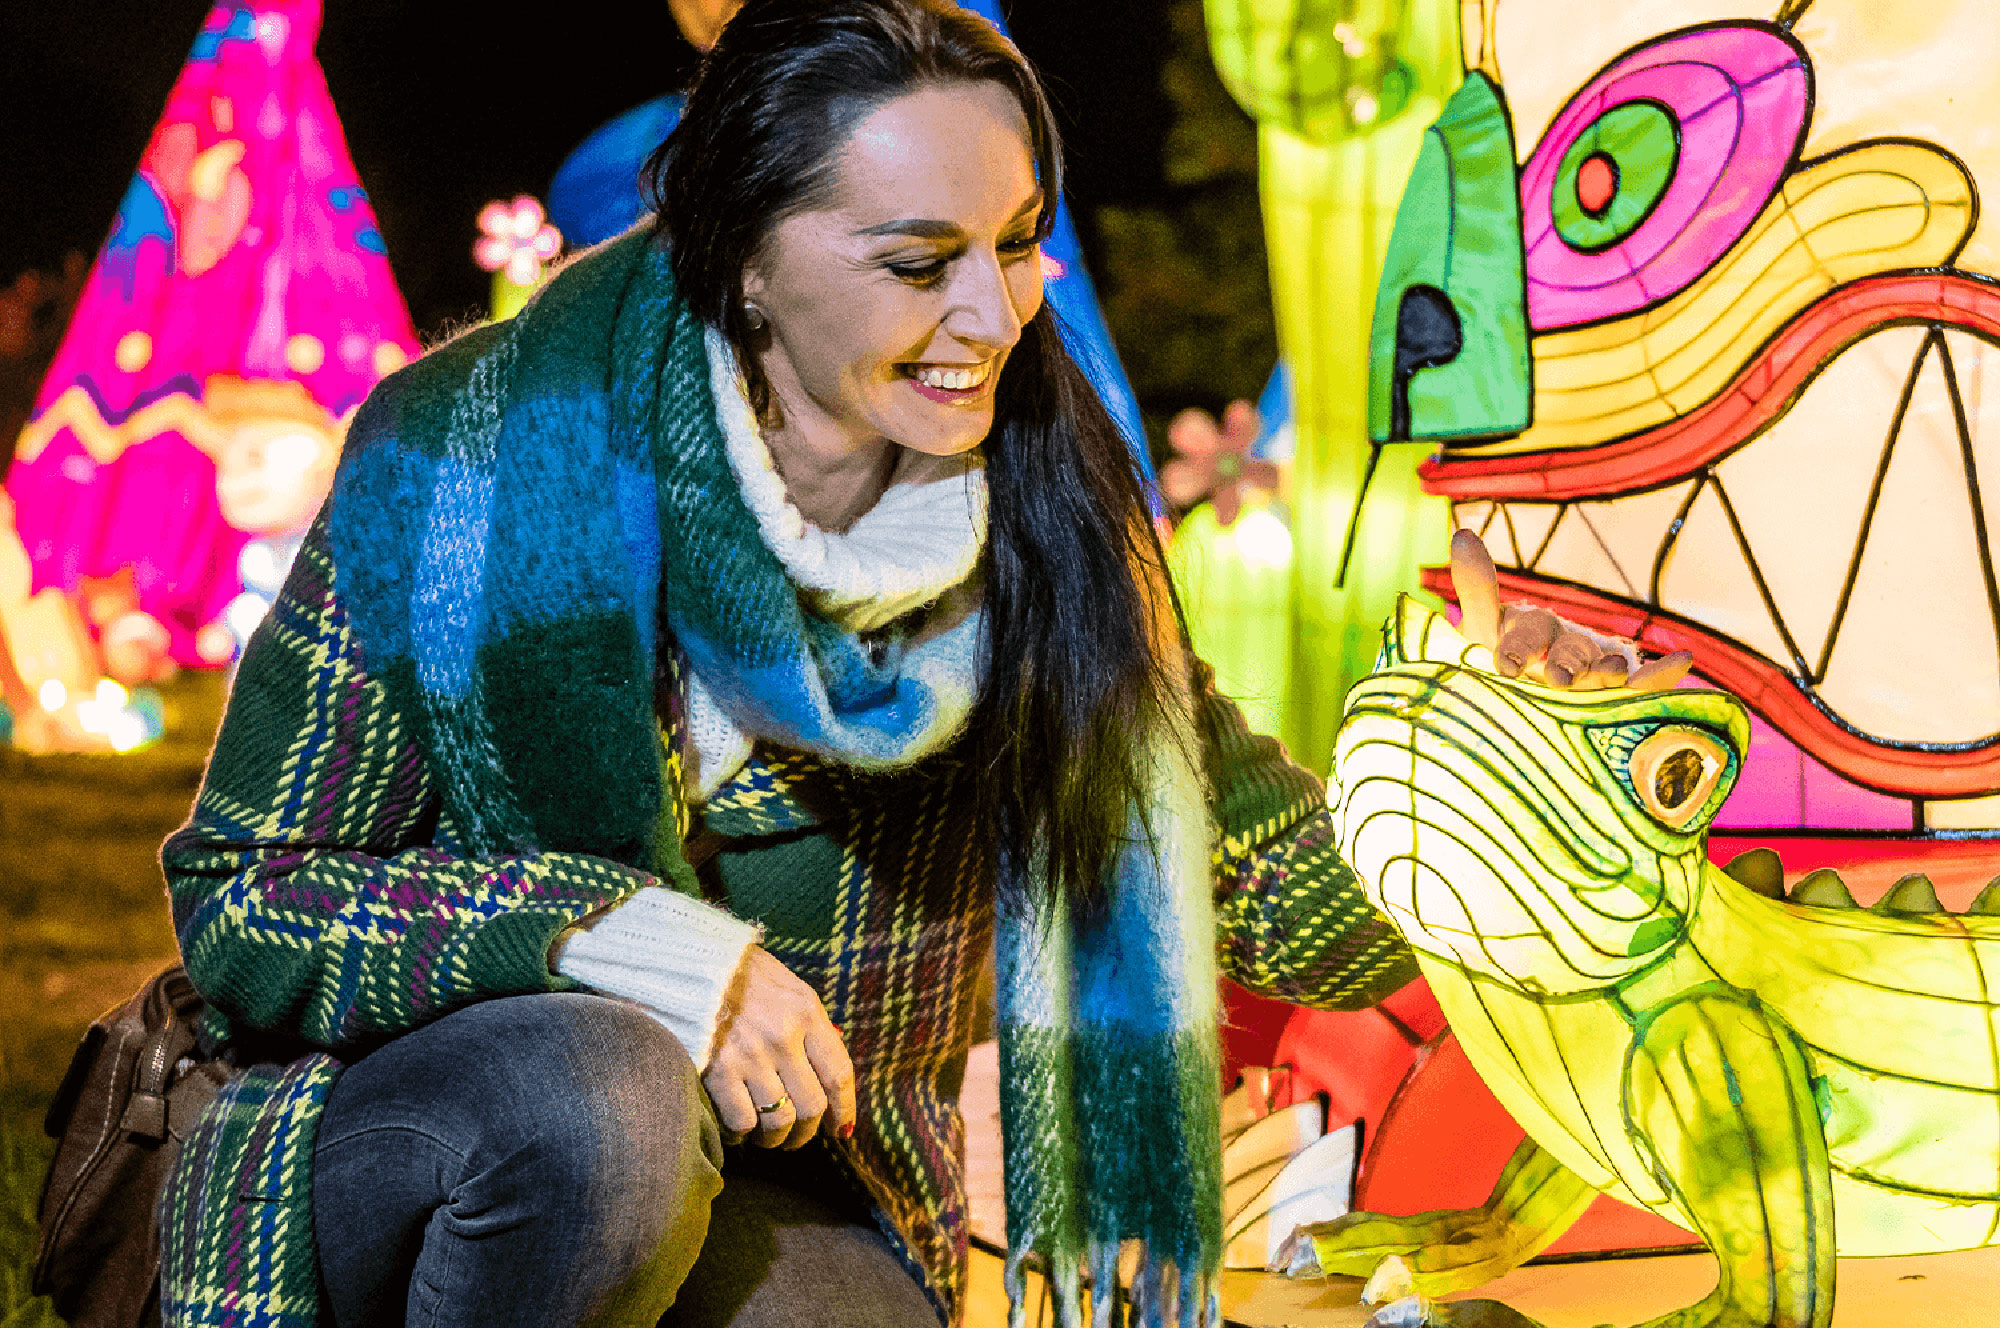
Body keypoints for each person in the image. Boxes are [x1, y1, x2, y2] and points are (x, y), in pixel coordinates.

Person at [154, 3, 1686, 1326]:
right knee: (607, 1108)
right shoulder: (470, 462)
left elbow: (1276, 892)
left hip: (800, 1168)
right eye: (916, 260)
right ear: (744, 259)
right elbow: (248, 899)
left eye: (1015, 244)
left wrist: (1516, 775)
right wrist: (636, 947)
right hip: (430, 1136)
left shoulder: (1051, 525)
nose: (994, 316)